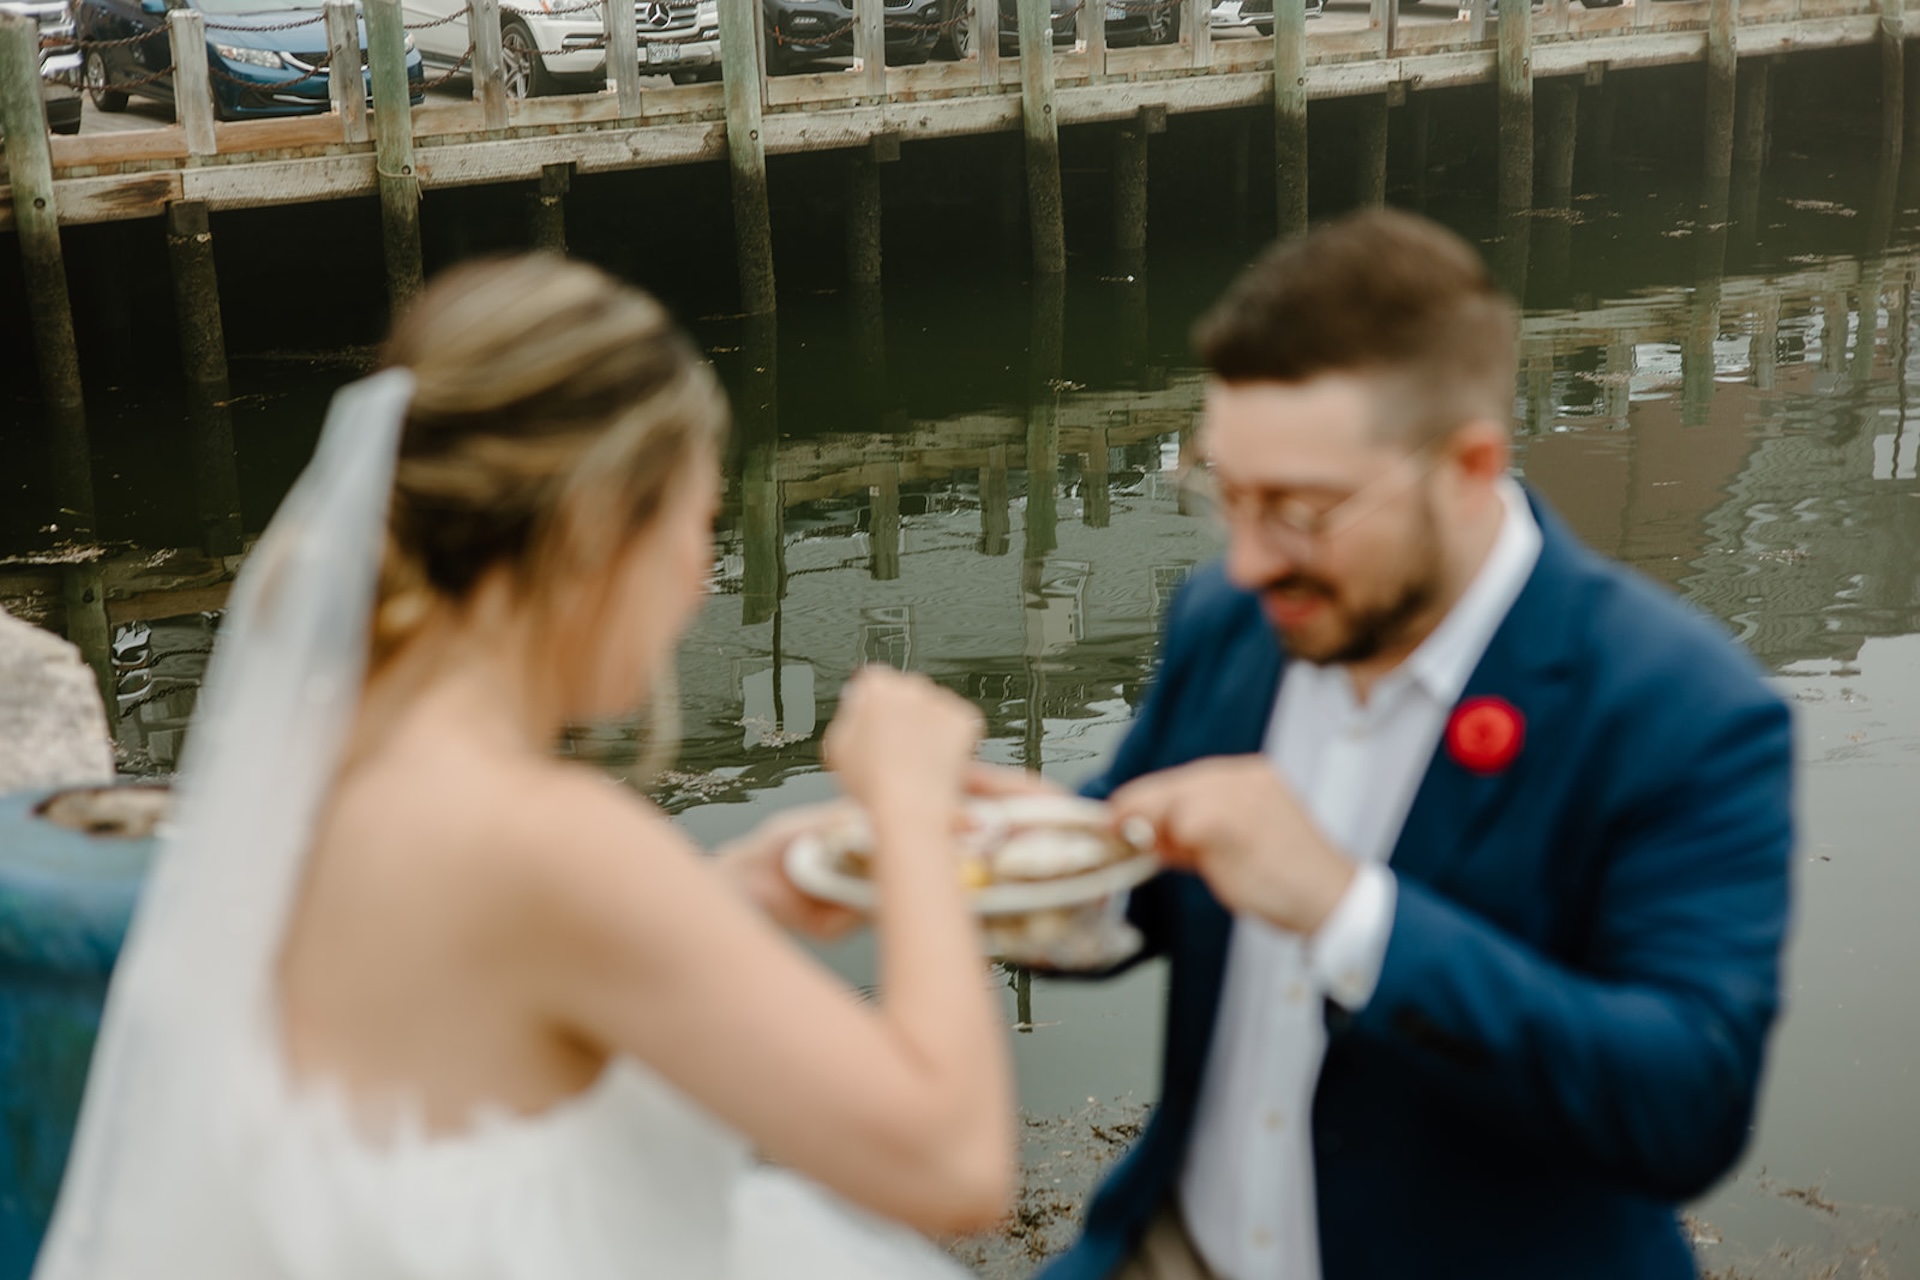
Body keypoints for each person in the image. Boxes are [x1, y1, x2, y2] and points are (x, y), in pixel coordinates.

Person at [35, 257, 1013, 1280]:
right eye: (697, 520)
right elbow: (955, 1161)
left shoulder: (321, 771)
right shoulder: (547, 837)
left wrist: (731, 897)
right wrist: (906, 803)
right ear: (596, 524)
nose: (700, 572)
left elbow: (468, 1015)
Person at [1025, 210, 1795, 1280]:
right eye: (1222, 491)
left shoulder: (1685, 711)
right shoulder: (1227, 616)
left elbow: (1686, 1106)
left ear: (1469, 466)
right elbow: (1142, 865)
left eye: (1297, 510)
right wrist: (998, 859)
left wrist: (1348, 909)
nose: (1247, 560)